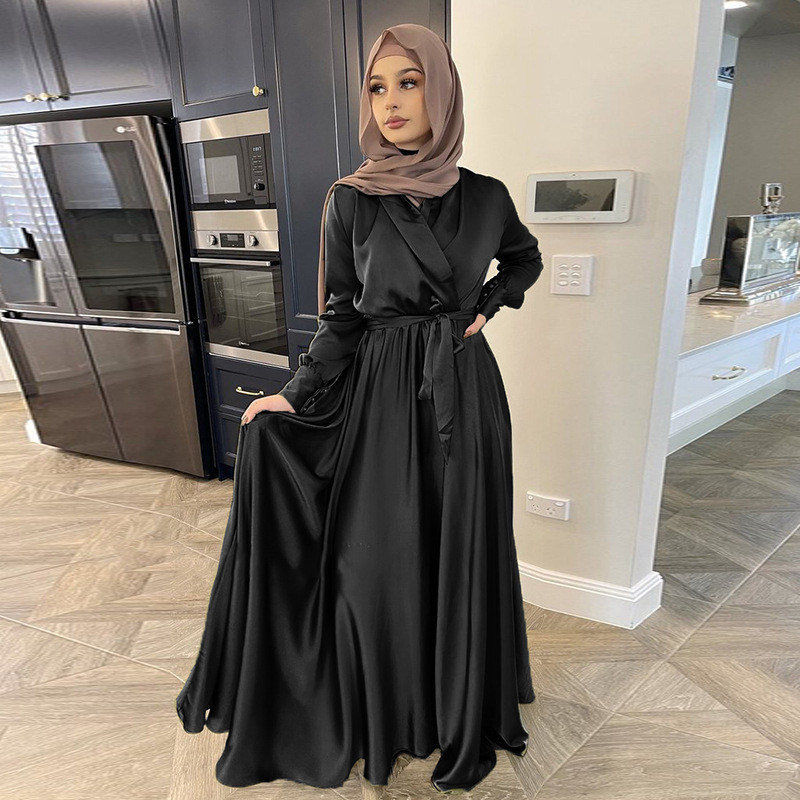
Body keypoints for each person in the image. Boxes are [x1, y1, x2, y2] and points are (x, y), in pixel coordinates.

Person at [176, 22, 544, 795]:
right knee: (373, 562)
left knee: (457, 548)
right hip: (380, 396)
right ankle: (388, 712)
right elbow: (342, 315)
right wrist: (294, 393)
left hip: (463, 391)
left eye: (409, 81)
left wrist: (487, 304)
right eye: (377, 87)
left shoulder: (487, 196)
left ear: (443, 91)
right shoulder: (351, 200)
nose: (391, 102)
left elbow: (524, 257)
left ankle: (454, 704)